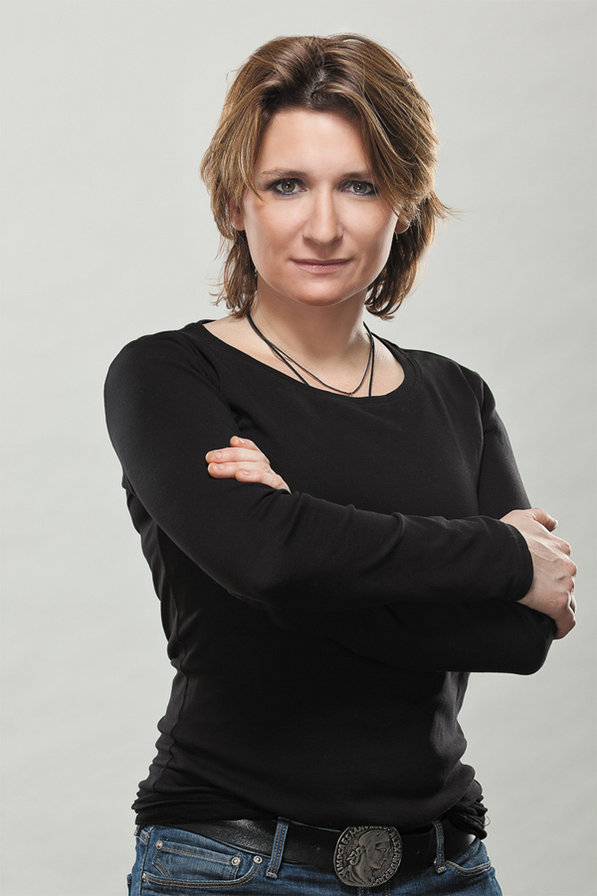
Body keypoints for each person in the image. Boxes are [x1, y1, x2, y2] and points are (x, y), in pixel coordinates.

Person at [104, 34, 576, 896]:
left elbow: (516, 637)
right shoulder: (169, 377)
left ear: (403, 203)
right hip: (231, 862)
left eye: (358, 185)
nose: (322, 225)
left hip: (446, 865)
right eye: (286, 184)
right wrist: (502, 554)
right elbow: (269, 561)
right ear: (234, 203)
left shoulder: (456, 395)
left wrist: (300, 537)